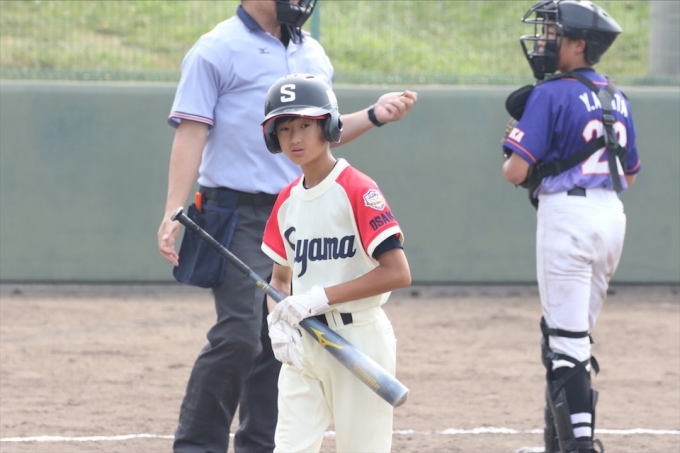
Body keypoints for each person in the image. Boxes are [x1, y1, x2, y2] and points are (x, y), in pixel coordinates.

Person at [156, 1, 418, 452]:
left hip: (301, 207)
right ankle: (198, 446)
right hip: (236, 209)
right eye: (284, 130)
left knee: (280, 335)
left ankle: (260, 445)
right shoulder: (216, 48)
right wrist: (173, 208)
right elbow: (192, 129)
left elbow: (324, 129)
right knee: (240, 335)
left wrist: (374, 114)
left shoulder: (312, 51)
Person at [501, 1, 641, 452]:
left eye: (553, 33)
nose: (544, 40)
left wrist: (520, 149)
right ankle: (557, 444)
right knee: (570, 337)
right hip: (611, 216)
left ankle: (577, 447)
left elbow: (515, 171)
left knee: (566, 343)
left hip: (568, 217)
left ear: (579, 44)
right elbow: (629, 174)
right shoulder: (615, 94)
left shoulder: (552, 92)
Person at [258, 73, 411, 453]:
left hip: (358, 339)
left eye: (305, 125)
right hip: (305, 342)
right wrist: (277, 324)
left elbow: (397, 273)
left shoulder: (357, 188)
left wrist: (318, 298)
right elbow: (280, 281)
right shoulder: (286, 199)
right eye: (284, 128)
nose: (294, 138)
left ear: (328, 125)